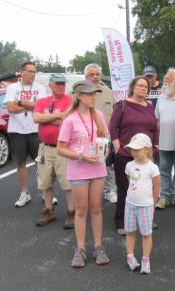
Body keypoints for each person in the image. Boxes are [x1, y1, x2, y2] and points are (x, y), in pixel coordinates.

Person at [57, 80, 111, 268]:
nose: (93, 98)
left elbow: (105, 140)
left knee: (96, 208)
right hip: (79, 169)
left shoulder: (99, 115)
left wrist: (105, 152)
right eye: (89, 94)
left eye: (94, 94)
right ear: (79, 95)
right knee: (81, 210)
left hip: (98, 168)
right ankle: (80, 248)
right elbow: (60, 149)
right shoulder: (70, 119)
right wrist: (81, 155)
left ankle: (98, 246)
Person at [109, 77, 159, 235]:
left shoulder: (150, 107)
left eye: (146, 86)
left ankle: (146, 219)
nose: (143, 88)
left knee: (146, 188)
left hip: (146, 156)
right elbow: (113, 127)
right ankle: (121, 221)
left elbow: (155, 129)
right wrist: (117, 147)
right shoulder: (122, 105)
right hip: (125, 154)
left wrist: (155, 145)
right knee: (126, 188)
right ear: (132, 87)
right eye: (140, 86)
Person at [4, 61, 50, 207]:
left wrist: (21, 102)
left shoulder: (40, 88)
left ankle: (45, 192)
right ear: (21, 72)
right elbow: (10, 107)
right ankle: (24, 193)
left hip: (36, 130)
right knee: (21, 163)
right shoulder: (13, 88)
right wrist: (30, 106)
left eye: (34, 72)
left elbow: (42, 107)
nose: (32, 74)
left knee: (40, 162)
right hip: (17, 131)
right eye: (29, 71)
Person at [33, 73, 73, 228]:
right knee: (45, 181)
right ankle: (48, 210)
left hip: (63, 148)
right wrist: (57, 117)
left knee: (68, 183)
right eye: (57, 83)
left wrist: (46, 117)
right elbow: (36, 118)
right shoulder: (42, 101)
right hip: (44, 148)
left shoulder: (70, 101)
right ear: (50, 85)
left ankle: (71, 212)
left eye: (63, 83)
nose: (61, 86)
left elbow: (67, 120)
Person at [123, 133, 160, 274]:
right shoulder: (129, 165)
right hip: (130, 204)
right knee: (130, 231)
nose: (133, 152)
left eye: (136, 149)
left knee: (146, 234)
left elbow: (156, 187)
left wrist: (153, 203)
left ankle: (145, 260)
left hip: (145, 206)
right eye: (132, 149)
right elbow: (130, 181)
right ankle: (130, 257)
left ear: (146, 149)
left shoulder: (153, 168)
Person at [85, 63, 118, 204]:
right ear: (86, 77)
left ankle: (110, 190)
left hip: (105, 135)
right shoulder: (77, 93)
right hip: (85, 136)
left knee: (108, 164)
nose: (95, 77)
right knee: (86, 163)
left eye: (97, 74)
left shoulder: (109, 93)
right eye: (92, 74)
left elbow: (115, 114)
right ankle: (87, 191)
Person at [154, 68, 175, 209]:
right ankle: (164, 196)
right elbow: (157, 120)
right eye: (165, 78)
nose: (165, 81)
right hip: (163, 141)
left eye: (169, 78)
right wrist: (157, 140)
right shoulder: (161, 98)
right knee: (163, 169)